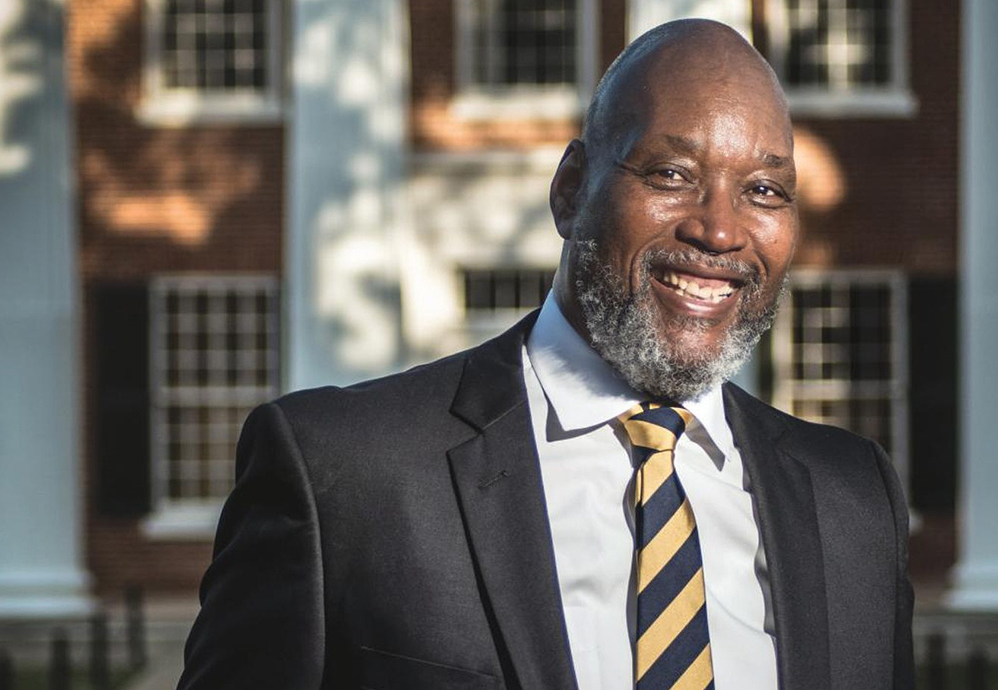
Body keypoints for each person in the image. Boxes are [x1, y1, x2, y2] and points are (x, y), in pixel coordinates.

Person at [177, 18, 914, 690]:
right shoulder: (342, 473)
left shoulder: (853, 499)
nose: (720, 231)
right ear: (569, 192)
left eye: (763, 189)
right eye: (671, 174)